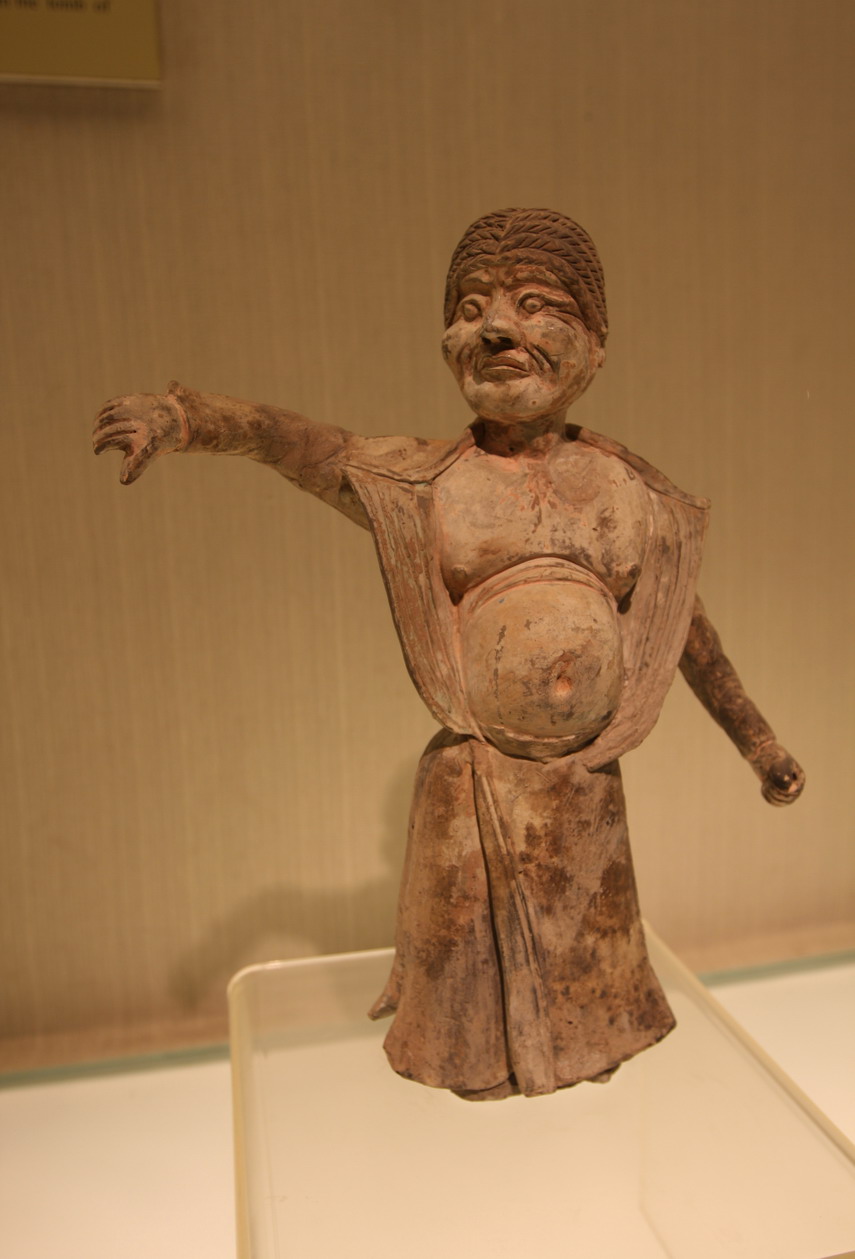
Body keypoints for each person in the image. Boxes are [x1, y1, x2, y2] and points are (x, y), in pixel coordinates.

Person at [93, 208, 804, 1100]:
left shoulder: (629, 493)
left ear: (595, 343)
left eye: (533, 305)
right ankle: (470, 1059)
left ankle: (589, 1044)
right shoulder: (428, 482)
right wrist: (187, 416)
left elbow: (684, 632)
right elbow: (298, 445)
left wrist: (759, 743)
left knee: (595, 974)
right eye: (469, 309)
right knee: (462, 993)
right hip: (472, 789)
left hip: (584, 786)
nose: (495, 328)